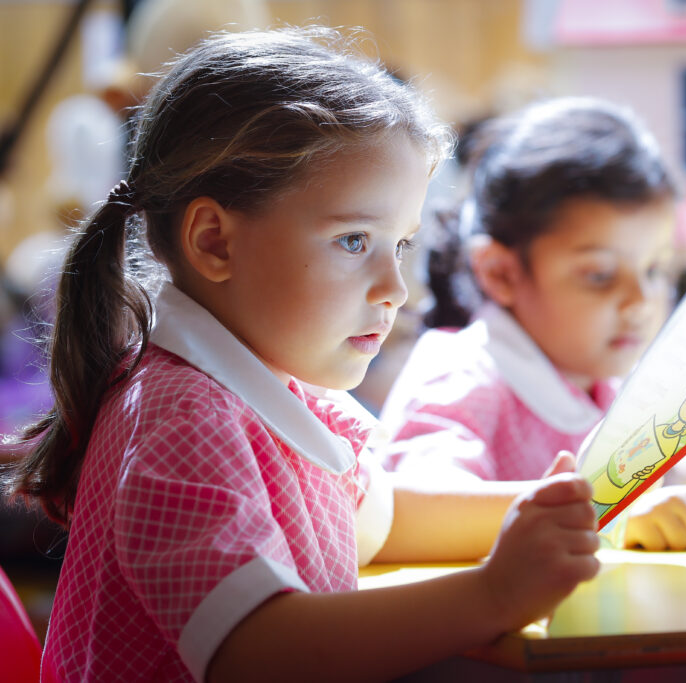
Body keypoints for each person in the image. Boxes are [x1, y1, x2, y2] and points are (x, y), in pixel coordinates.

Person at [0, 27, 602, 682]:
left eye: (399, 245)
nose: (394, 288)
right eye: (352, 241)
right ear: (215, 242)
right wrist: (493, 594)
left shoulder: (273, 383)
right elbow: (256, 650)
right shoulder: (181, 417)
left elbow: (383, 516)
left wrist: (578, 509)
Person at [379, 97, 686, 549]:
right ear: (501, 273)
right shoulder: (462, 376)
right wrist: (602, 507)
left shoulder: (608, 379)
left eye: (655, 270)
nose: (640, 301)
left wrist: (645, 485)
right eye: (600, 276)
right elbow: (416, 509)